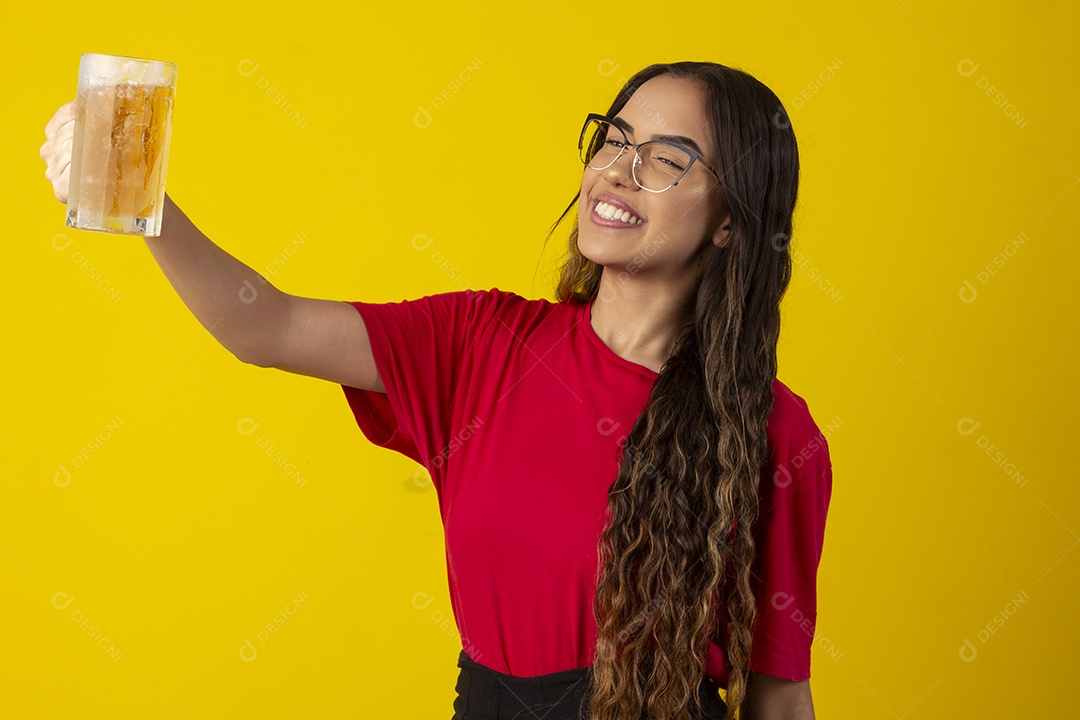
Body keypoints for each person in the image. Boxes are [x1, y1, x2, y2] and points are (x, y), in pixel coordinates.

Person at [41, 60, 831, 720]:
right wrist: (140, 200)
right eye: (615, 139)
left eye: (668, 157)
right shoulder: (480, 343)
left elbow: (779, 696)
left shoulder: (773, 433)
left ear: (731, 220)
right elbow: (267, 327)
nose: (620, 170)